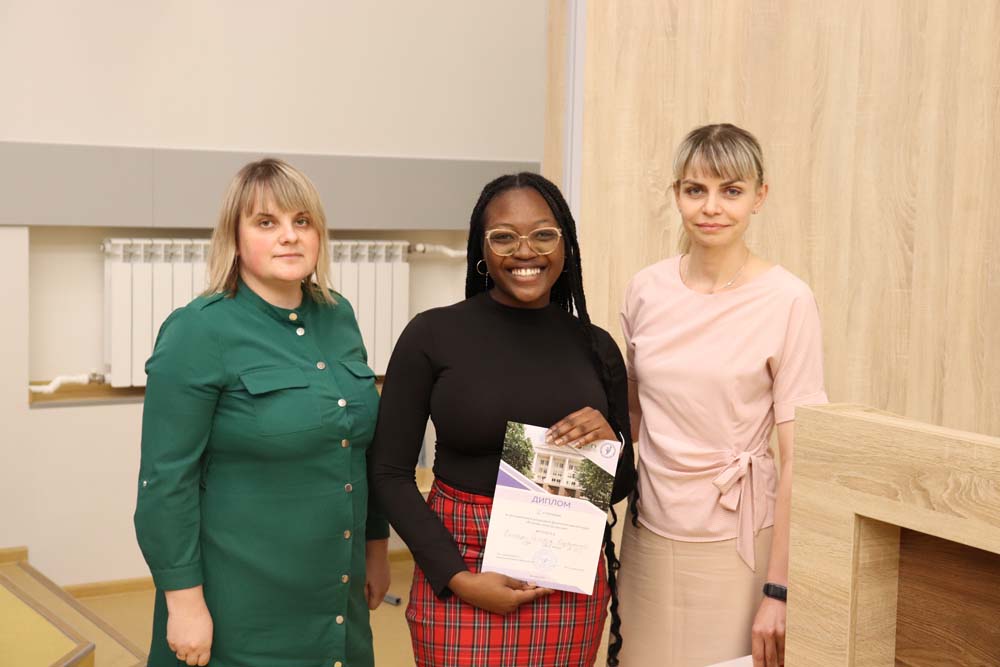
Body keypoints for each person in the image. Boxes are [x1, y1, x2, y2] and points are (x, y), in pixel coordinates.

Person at [371, 172, 636, 667]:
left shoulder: (596, 348)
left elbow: (621, 486)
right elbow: (388, 472)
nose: (525, 251)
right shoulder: (433, 334)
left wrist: (609, 444)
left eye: (543, 234)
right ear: (482, 248)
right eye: (504, 237)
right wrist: (457, 577)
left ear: (565, 245)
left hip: (564, 579)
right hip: (460, 567)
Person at [134, 158, 390, 667]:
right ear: (235, 236)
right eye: (266, 222)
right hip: (240, 601)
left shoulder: (339, 315)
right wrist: (183, 604)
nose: (289, 236)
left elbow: (360, 449)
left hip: (333, 593)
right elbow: (165, 483)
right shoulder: (198, 330)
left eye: (302, 221)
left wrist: (376, 548)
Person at [616, 124, 828, 667]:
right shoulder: (645, 289)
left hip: (740, 543)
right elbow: (632, 417)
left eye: (731, 190)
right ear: (677, 194)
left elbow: (799, 459)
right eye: (696, 190)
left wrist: (779, 590)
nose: (711, 207)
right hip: (649, 534)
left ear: (759, 196)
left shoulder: (788, 300)